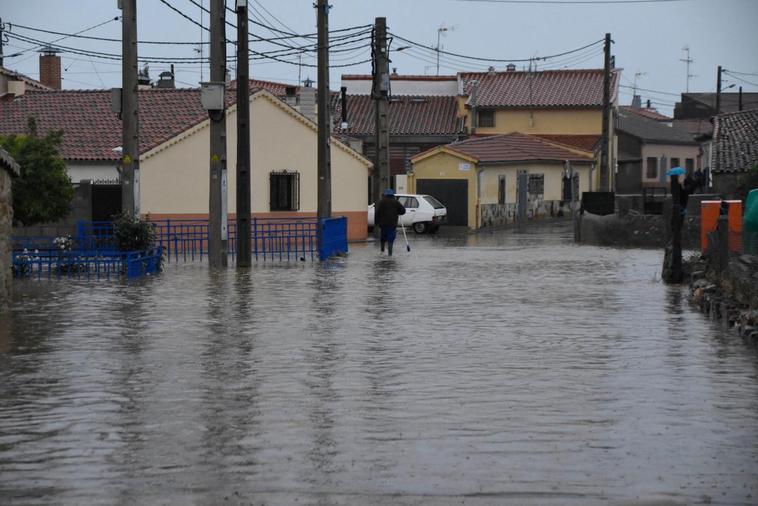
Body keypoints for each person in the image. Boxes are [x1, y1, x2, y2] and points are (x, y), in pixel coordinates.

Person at [375, 188, 406, 256]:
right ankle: (390, 254)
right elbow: (403, 211)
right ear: (392, 195)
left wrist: (377, 223)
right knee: (390, 239)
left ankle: (382, 250)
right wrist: (398, 211)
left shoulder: (381, 202)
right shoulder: (396, 202)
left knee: (383, 237)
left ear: (385, 195)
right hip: (392, 224)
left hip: (383, 224)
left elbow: (377, 213)